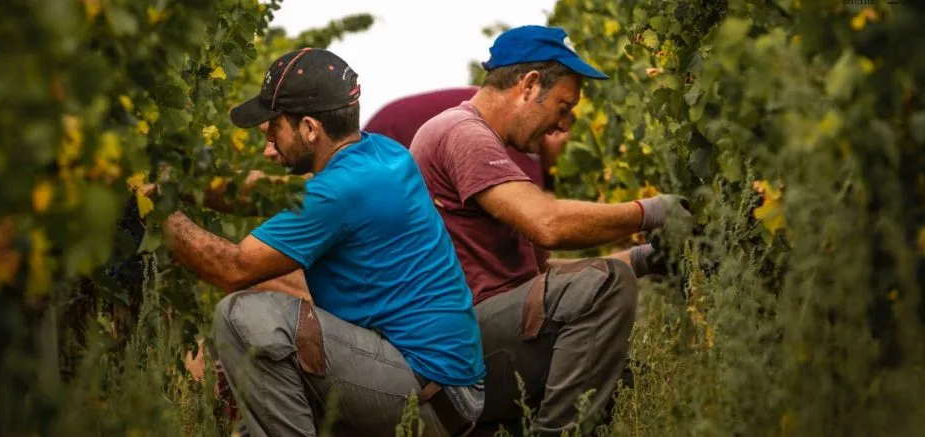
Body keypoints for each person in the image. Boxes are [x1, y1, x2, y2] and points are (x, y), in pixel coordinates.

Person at [157, 47, 486, 436]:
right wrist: (184, 183)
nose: (267, 150)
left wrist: (157, 206)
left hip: (429, 398)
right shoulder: (380, 153)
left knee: (241, 316)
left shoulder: (341, 191)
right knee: (264, 407)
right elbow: (272, 192)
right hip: (446, 387)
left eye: (272, 133)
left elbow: (232, 268)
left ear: (310, 128)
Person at [409, 25, 693, 436]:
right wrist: (652, 211)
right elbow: (548, 225)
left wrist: (641, 259)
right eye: (563, 106)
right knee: (608, 288)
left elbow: (540, 280)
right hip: (461, 348)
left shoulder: (482, 141)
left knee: (632, 381)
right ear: (529, 85)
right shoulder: (462, 132)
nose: (562, 125)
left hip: (486, 335)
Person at [364, 87, 573, 192]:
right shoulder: (513, 140)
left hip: (388, 129)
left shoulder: (508, 110)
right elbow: (535, 225)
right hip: (390, 138)